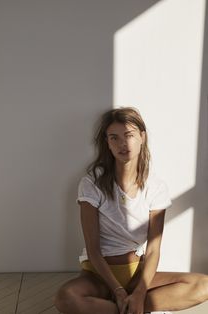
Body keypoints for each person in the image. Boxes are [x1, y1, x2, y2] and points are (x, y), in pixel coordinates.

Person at [54, 107, 208, 314]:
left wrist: (140, 292)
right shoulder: (92, 183)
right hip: (99, 275)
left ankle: (127, 306)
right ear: (107, 143)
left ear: (142, 137)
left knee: (204, 285)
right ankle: (130, 307)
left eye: (129, 135)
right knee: (66, 298)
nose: (122, 143)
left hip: (138, 274)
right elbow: (93, 250)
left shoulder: (156, 187)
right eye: (114, 138)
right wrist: (117, 289)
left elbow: (153, 249)